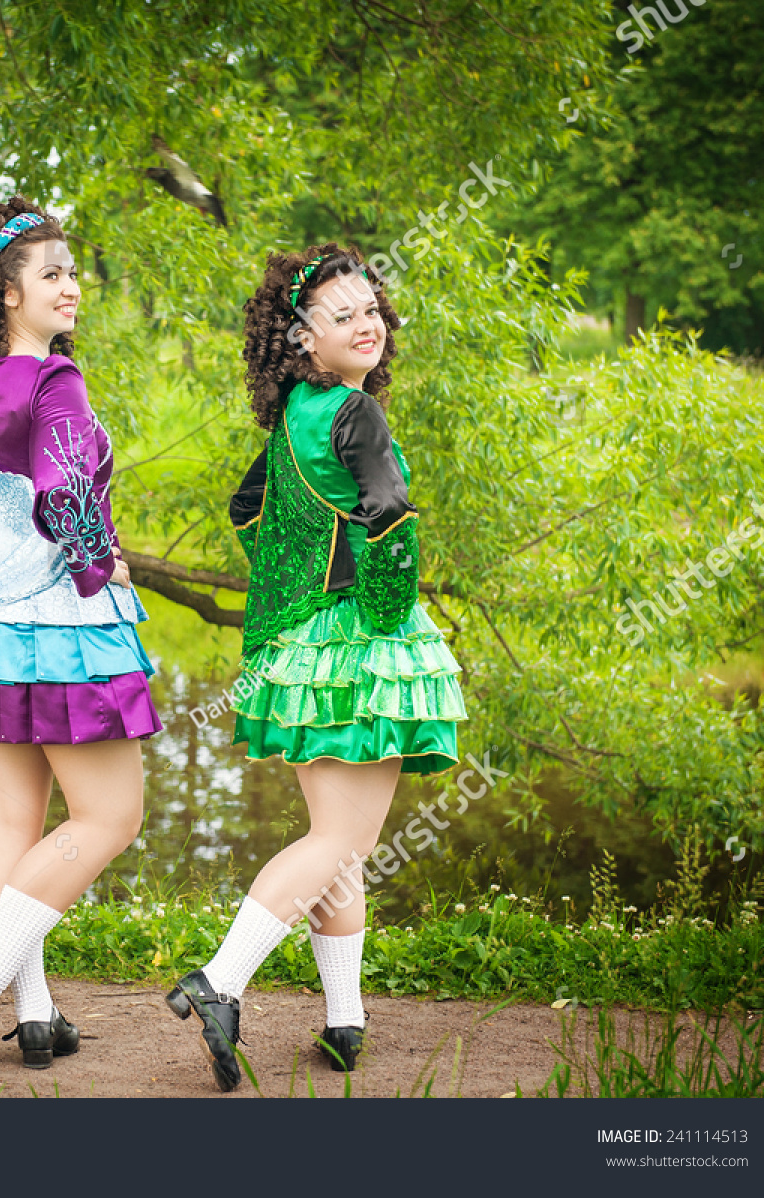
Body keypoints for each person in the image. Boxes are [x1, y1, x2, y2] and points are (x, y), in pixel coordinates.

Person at [166, 244, 466, 1089]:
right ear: (303, 340)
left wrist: (298, 590)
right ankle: (219, 984)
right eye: (345, 316)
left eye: (372, 309)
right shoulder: (358, 415)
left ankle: (344, 1023)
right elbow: (391, 517)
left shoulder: (298, 408)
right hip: (357, 651)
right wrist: (382, 623)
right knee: (339, 840)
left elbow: (247, 508)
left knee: (343, 852)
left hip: (300, 653)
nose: (368, 324)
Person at [0, 198, 161, 1070]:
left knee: (12, 818)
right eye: (52, 273)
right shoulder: (56, 382)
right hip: (64, 632)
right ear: (8, 293)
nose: (72, 286)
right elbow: (67, 494)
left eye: (73, 271)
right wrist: (99, 562)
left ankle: (37, 1013)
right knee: (112, 814)